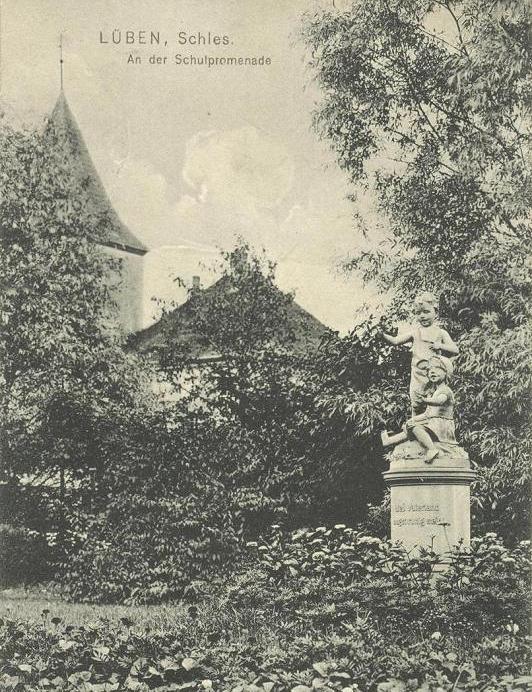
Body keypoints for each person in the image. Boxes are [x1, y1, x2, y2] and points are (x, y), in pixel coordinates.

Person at [382, 292, 458, 414]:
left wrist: (440, 346)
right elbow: (395, 341)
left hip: (434, 375)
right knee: (417, 405)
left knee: (433, 406)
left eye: (426, 312)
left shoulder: (440, 332)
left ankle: (431, 430)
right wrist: (381, 334)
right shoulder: (415, 332)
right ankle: (415, 429)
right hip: (417, 375)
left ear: (436, 312)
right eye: (418, 313)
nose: (422, 316)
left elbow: (455, 350)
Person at [381, 356, 456, 463]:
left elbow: (439, 401)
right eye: (429, 370)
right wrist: (413, 420)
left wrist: (426, 400)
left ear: (446, 373)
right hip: (433, 422)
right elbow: (428, 414)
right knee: (410, 424)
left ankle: (432, 449)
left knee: (415, 427)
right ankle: (389, 441)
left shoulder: (445, 390)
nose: (432, 372)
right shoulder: (435, 391)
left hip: (442, 425)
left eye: (437, 369)